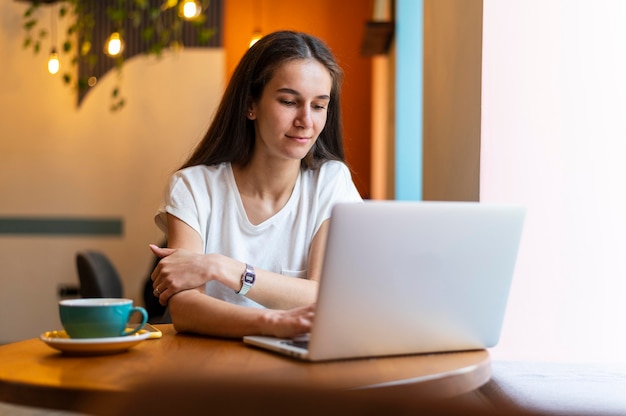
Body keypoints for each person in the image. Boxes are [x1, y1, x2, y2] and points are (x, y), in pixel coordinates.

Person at [150, 30, 362, 339]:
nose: (306, 120)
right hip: (212, 368)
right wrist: (273, 323)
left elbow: (326, 297)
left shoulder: (331, 182)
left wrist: (221, 267)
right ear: (251, 105)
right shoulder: (193, 187)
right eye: (289, 102)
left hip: (302, 373)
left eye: (318, 106)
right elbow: (184, 309)